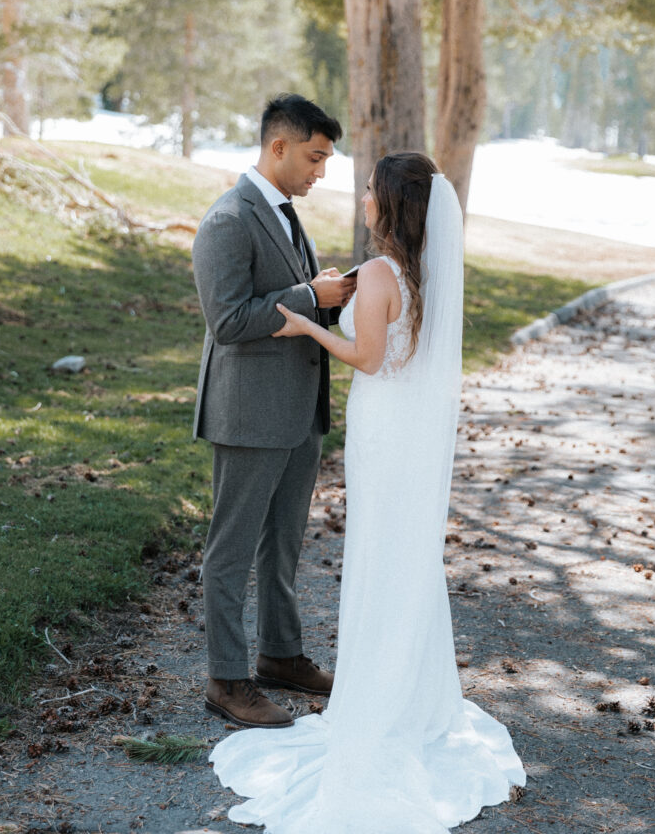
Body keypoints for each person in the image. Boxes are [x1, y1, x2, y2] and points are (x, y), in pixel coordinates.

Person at [209, 153, 526, 833]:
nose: (360, 199)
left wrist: (306, 324)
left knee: (381, 554)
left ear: (390, 203)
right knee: (404, 557)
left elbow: (368, 358)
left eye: (368, 191)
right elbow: (402, 346)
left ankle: (377, 697)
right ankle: (412, 692)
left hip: (383, 426)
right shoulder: (419, 272)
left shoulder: (380, 272)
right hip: (407, 426)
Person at [192, 94, 357, 730]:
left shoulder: (287, 215)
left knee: (284, 543)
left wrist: (337, 297)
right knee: (230, 552)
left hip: (298, 413)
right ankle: (226, 681)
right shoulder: (228, 219)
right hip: (248, 415)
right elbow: (229, 321)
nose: (321, 171)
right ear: (278, 147)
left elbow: (295, 305)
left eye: (327, 160)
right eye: (315, 157)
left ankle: (281, 656)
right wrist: (306, 295)